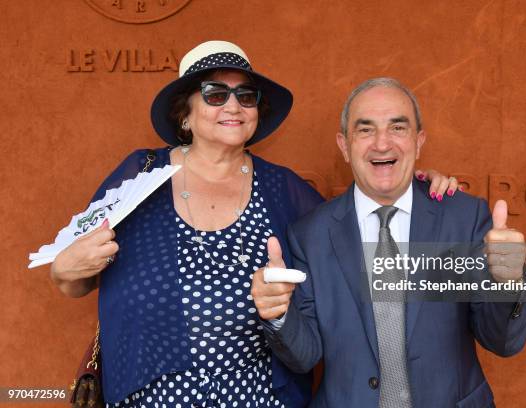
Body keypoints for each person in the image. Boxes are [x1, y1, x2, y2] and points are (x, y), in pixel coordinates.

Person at [50, 43, 457, 407]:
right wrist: (63, 270)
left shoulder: (282, 189)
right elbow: (76, 277)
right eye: (215, 94)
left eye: (246, 96)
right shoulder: (139, 176)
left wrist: (407, 186)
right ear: (185, 114)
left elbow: (348, 228)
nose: (233, 106)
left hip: (260, 395)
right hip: (153, 395)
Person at [251, 78, 526, 407]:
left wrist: (507, 283)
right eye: (365, 130)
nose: (382, 144)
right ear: (344, 145)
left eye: (397, 128)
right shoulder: (309, 234)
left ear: (418, 141)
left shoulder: (464, 218)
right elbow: (305, 356)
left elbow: (503, 342)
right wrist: (279, 314)